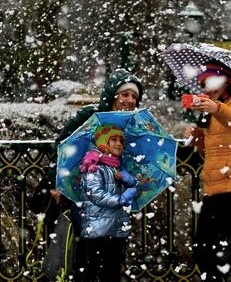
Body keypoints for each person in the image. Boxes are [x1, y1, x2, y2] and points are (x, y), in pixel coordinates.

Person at [28, 68, 144, 277]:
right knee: (87, 254)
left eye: (134, 96)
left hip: (115, 199)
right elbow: (63, 147)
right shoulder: (90, 116)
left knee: (113, 257)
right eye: (125, 94)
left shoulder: (135, 125)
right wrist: (58, 182)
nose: (129, 100)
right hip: (83, 195)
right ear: (113, 95)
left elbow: (138, 161)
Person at [183, 62, 231, 282]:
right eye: (204, 84)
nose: (208, 88)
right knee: (202, 248)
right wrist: (198, 136)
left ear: (226, 81)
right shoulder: (215, 107)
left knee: (218, 248)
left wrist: (214, 108)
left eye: (213, 82)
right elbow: (212, 150)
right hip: (217, 185)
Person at [77, 125, 139, 281]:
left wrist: (128, 180)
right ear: (104, 143)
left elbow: (136, 188)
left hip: (116, 229)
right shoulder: (93, 167)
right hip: (98, 230)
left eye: (121, 141)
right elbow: (96, 194)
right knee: (92, 269)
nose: (119, 144)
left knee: (112, 271)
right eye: (114, 140)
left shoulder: (116, 167)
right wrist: (121, 199)